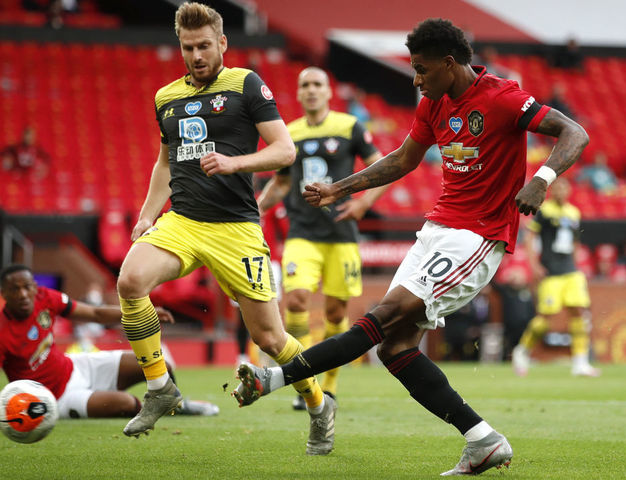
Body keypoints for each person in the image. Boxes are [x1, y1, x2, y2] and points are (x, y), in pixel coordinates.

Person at [233, 18, 589, 475]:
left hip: (478, 237)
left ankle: (272, 379)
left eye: (421, 69)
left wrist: (542, 179)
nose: (416, 80)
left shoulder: (502, 97)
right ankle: (483, 439)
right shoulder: (433, 103)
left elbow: (574, 132)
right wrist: (340, 189)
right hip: (437, 229)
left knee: (383, 316)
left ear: (449, 62)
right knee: (395, 347)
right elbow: (403, 159)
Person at [115, 2, 334, 455]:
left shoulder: (246, 84)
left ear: (222, 44)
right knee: (130, 280)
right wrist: (146, 214)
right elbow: (164, 162)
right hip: (184, 221)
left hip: (235, 228)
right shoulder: (165, 97)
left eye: (204, 46)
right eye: (188, 47)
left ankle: (318, 404)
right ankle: (160, 387)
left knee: (270, 338)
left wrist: (236, 162)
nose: (196, 55)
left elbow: (285, 151)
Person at [258, 67, 385, 409]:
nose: (311, 90)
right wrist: (257, 209)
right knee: (297, 300)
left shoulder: (349, 127)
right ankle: (306, 379)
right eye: (305, 85)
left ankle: (329, 385)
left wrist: (364, 203)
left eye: (317, 85)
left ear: (329, 92)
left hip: (342, 234)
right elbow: (283, 182)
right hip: (303, 233)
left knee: (335, 311)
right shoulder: (289, 132)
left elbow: (382, 168)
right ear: (298, 94)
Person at [0, 264, 218, 419]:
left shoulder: (44, 297)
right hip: (57, 397)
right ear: (4, 293)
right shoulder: (2, 331)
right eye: (15, 289)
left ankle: (174, 407)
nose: (23, 294)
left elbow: (95, 313)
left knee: (159, 365)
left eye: (27, 286)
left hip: (77, 366)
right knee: (128, 404)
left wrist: (138, 312)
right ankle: (156, 412)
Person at [512, 178, 599, 377]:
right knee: (545, 318)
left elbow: (575, 241)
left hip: (570, 272)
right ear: (552, 191)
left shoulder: (573, 212)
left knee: (578, 312)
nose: (561, 191)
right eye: (557, 187)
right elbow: (530, 237)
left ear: (569, 191)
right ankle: (522, 351)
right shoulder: (543, 211)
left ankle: (580, 362)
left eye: (564, 188)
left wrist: (576, 263)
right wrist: (534, 266)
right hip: (551, 272)